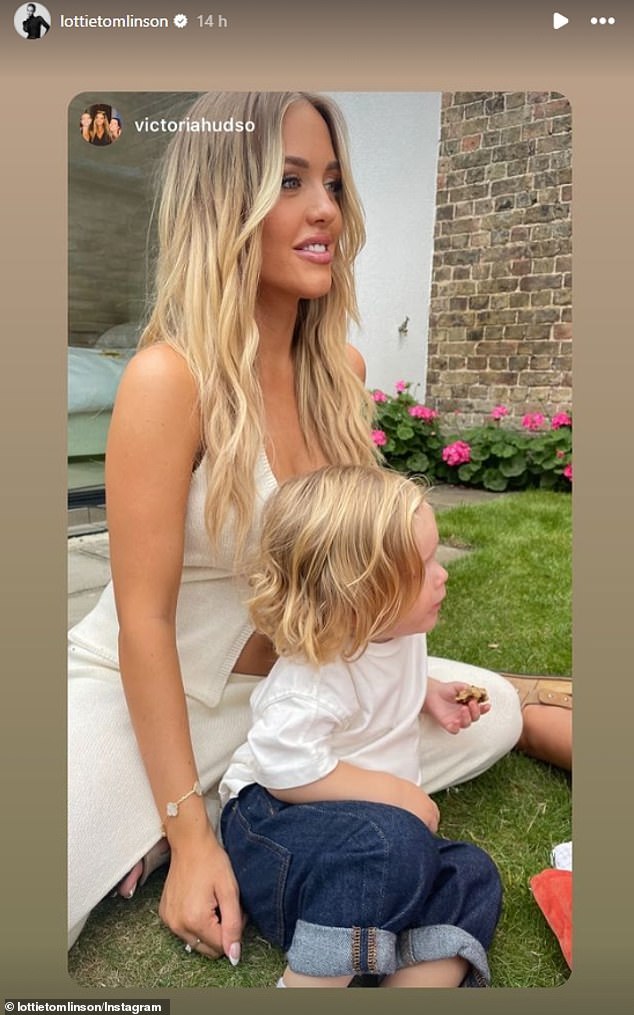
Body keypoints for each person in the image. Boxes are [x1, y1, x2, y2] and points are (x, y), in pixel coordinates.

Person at [67, 90, 565, 963]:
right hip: (156, 692)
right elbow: (143, 621)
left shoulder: (343, 373)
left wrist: (408, 686)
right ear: (228, 203)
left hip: (299, 691)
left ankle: (244, 799)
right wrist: (190, 842)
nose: (326, 209)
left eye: (332, 181)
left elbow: (348, 585)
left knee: (490, 715)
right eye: (290, 180)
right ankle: (197, 807)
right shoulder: (166, 379)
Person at [219, 464, 503, 987]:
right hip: (273, 824)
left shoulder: (397, 632)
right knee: (391, 841)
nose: (441, 574)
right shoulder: (312, 679)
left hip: (366, 838)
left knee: (470, 871)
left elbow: (389, 682)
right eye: (422, 567)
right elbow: (285, 769)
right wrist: (394, 793)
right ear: (357, 595)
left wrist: (429, 693)